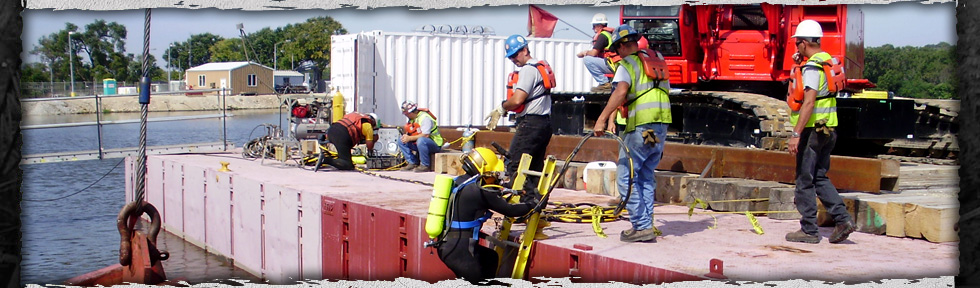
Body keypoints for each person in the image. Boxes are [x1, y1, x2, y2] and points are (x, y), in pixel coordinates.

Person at [592, 24, 672, 243]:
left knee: (627, 176)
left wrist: (601, 119)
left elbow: (621, 92)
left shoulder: (627, 64)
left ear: (620, 47)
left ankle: (641, 226)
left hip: (640, 126)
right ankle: (647, 222)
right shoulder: (657, 62)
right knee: (646, 173)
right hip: (658, 128)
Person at [785, 19, 855, 244]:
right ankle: (843, 219)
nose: (796, 48)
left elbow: (808, 102)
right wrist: (798, 64)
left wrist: (795, 134)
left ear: (804, 43)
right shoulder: (829, 61)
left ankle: (809, 231)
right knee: (820, 177)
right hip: (829, 128)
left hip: (812, 131)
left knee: (804, 180)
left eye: (797, 44)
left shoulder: (813, 67)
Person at [436, 147, 538, 284]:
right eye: (494, 174)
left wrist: (507, 188)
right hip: (461, 252)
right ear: (486, 170)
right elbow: (511, 210)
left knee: (490, 258)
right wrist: (535, 203)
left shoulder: (460, 182)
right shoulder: (479, 191)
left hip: (446, 245)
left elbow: (492, 194)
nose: (496, 178)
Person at [485, 34, 555, 191]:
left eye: (515, 55)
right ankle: (533, 203)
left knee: (514, 165)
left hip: (530, 124)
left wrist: (502, 106)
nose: (513, 59)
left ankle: (516, 206)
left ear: (525, 50)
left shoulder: (528, 70)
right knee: (534, 168)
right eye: (510, 57)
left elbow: (517, 100)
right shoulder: (540, 66)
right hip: (544, 124)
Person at [397, 100, 444, 172]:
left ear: (411, 112)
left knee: (421, 140)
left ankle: (425, 165)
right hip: (419, 143)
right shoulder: (412, 119)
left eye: (406, 114)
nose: (406, 115)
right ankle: (412, 162)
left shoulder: (425, 118)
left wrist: (409, 138)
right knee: (401, 140)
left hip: (434, 144)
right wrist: (406, 137)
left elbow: (425, 135)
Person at [576, 13, 615, 92]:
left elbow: (593, 53)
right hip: (614, 64)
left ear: (600, 26)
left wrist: (584, 53)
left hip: (611, 65)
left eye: (594, 26)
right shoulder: (610, 34)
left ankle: (604, 83)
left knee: (587, 59)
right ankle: (606, 82)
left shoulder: (603, 36)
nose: (593, 28)